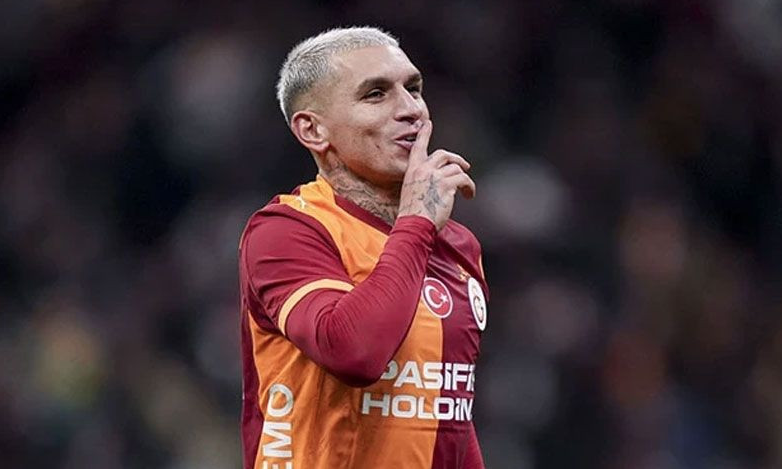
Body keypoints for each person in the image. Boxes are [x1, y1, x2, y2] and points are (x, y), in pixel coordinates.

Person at [238, 26, 489, 469]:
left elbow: (450, 411)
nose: (411, 110)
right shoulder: (287, 230)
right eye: (376, 94)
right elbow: (354, 352)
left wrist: (418, 226)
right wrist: (416, 223)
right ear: (313, 130)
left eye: (414, 89)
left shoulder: (456, 244)